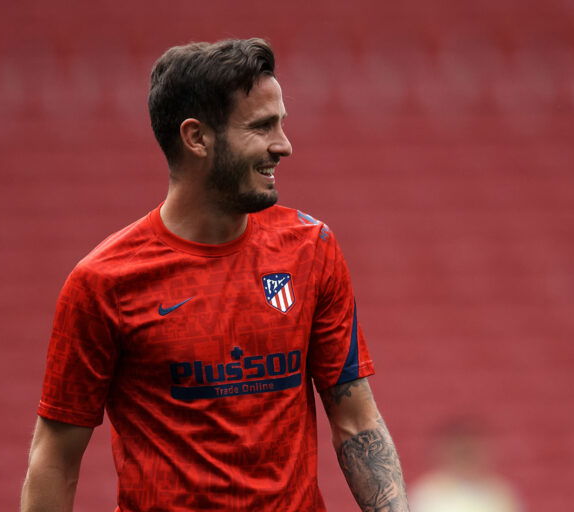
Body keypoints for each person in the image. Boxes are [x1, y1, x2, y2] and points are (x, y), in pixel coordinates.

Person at [20, 38, 408, 512]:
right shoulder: (104, 282)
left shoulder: (311, 249)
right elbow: (56, 458)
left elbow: (356, 420)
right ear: (197, 138)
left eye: (281, 123)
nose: (283, 145)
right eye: (262, 126)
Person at [409, 418, 521, 512]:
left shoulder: (500, 494)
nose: (465, 459)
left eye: (470, 451)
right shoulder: (425, 494)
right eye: (461, 452)